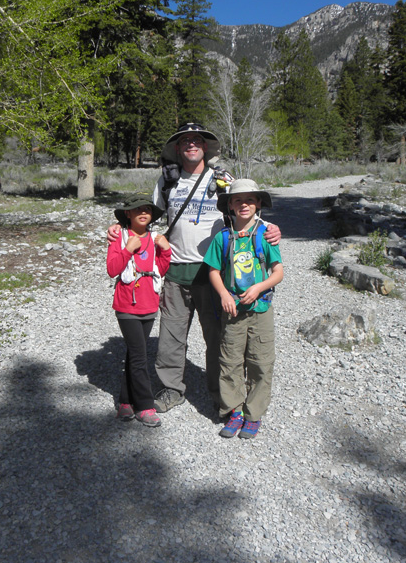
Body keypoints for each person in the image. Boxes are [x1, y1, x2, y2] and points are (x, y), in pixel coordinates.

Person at [108, 123, 280, 414]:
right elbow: (146, 216)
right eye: (185, 140)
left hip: (214, 272)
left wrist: (271, 229)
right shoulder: (167, 181)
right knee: (170, 338)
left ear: (205, 147)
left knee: (217, 338)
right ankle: (171, 390)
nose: (191, 144)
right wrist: (119, 228)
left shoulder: (223, 179)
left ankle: (219, 392)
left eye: (196, 140)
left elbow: (246, 210)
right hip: (174, 270)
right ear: (178, 148)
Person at [203, 179, 283, 439]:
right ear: (230, 206)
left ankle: (254, 413)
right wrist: (224, 294)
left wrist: (260, 288)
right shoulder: (222, 238)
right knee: (230, 361)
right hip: (233, 310)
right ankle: (234, 410)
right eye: (238, 200)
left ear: (258, 204)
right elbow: (213, 270)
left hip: (261, 309)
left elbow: (278, 272)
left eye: (250, 199)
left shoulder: (265, 235)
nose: (244, 204)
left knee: (260, 361)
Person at [106, 195, 171, 427]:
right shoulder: (120, 237)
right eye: (137, 210)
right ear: (128, 214)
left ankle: (125, 401)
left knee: (135, 354)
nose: (143, 213)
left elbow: (161, 270)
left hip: (149, 305)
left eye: (147, 209)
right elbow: (112, 270)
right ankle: (144, 405)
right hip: (126, 306)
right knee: (140, 356)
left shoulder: (155, 238)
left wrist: (166, 251)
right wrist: (127, 250)